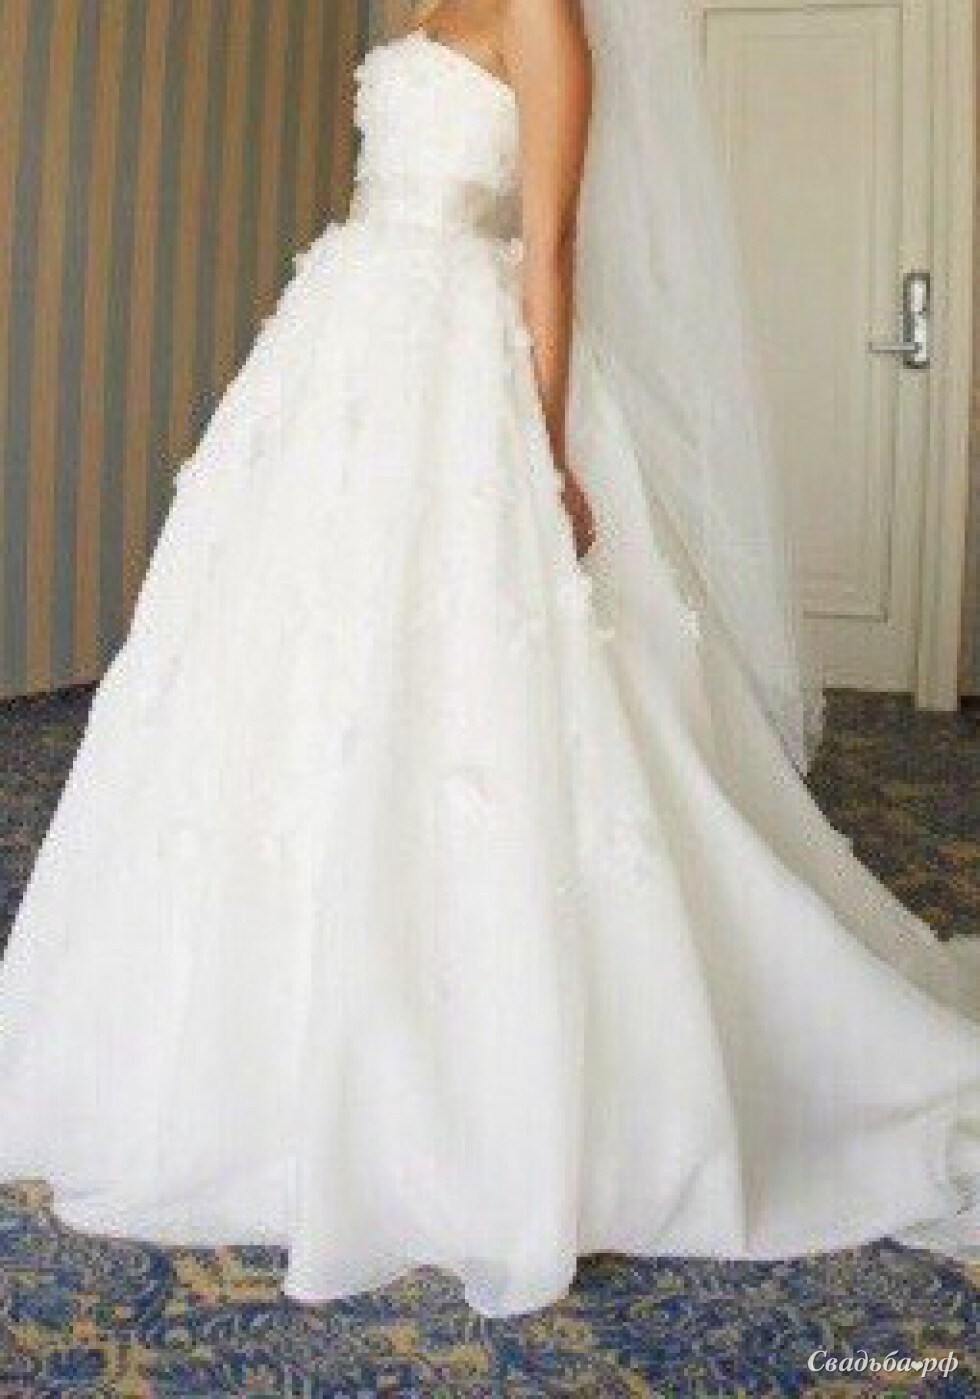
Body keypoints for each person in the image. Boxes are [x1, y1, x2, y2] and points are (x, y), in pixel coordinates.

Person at [0, 0, 977, 1320]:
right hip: (345, 342)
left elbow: (551, 240)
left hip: (461, 366)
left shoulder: (546, 16)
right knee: (285, 673)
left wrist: (545, 451)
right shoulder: (426, 9)